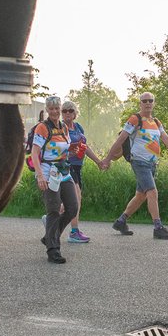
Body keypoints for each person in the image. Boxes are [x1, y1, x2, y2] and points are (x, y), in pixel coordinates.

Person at [102, 92, 168, 239]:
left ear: (154, 103)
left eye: (150, 100)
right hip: (139, 162)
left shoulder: (156, 121)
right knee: (152, 192)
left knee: (141, 196)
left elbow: (165, 138)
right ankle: (158, 228)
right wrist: (108, 159)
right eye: (144, 101)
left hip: (152, 163)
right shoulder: (135, 119)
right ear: (140, 103)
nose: (148, 103)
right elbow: (121, 138)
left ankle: (121, 221)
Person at [29, 96, 78, 264]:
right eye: (51, 109)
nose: (55, 111)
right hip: (48, 172)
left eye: (57, 108)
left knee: (72, 207)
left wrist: (73, 151)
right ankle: (53, 250)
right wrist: (40, 176)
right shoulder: (42, 128)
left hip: (63, 171)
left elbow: (62, 150)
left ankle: (50, 236)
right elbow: (35, 153)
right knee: (54, 210)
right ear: (47, 110)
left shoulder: (64, 127)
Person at [60, 100, 104, 244]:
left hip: (78, 167)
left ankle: (50, 219)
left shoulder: (78, 127)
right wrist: (69, 152)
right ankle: (74, 232)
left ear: (75, 113)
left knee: (69, 202)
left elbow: (85, 147)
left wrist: (98, 161)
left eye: (70, 111)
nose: (67, 113)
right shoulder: (60, 128)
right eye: (64, 111)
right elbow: (56, 149)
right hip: (66, 166)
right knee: (76, 198)